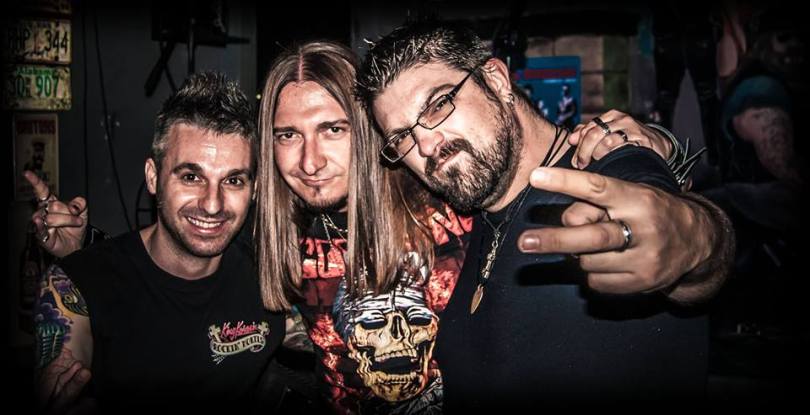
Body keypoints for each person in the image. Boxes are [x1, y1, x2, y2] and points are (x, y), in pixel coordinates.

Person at [357, 20, 734, 409]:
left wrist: (694, 239)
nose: (425, 145)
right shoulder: (473, 215)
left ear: (496, 80)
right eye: (402, 137)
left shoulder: (603, 168)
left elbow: (685, 233)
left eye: (438, 105)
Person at [32, 72, 285, 412]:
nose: (213, 204)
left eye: (233, 180)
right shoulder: (75, 284)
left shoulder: (270, 276)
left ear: (254, 189)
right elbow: (63, 376)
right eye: (191, 177)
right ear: (153, 177)